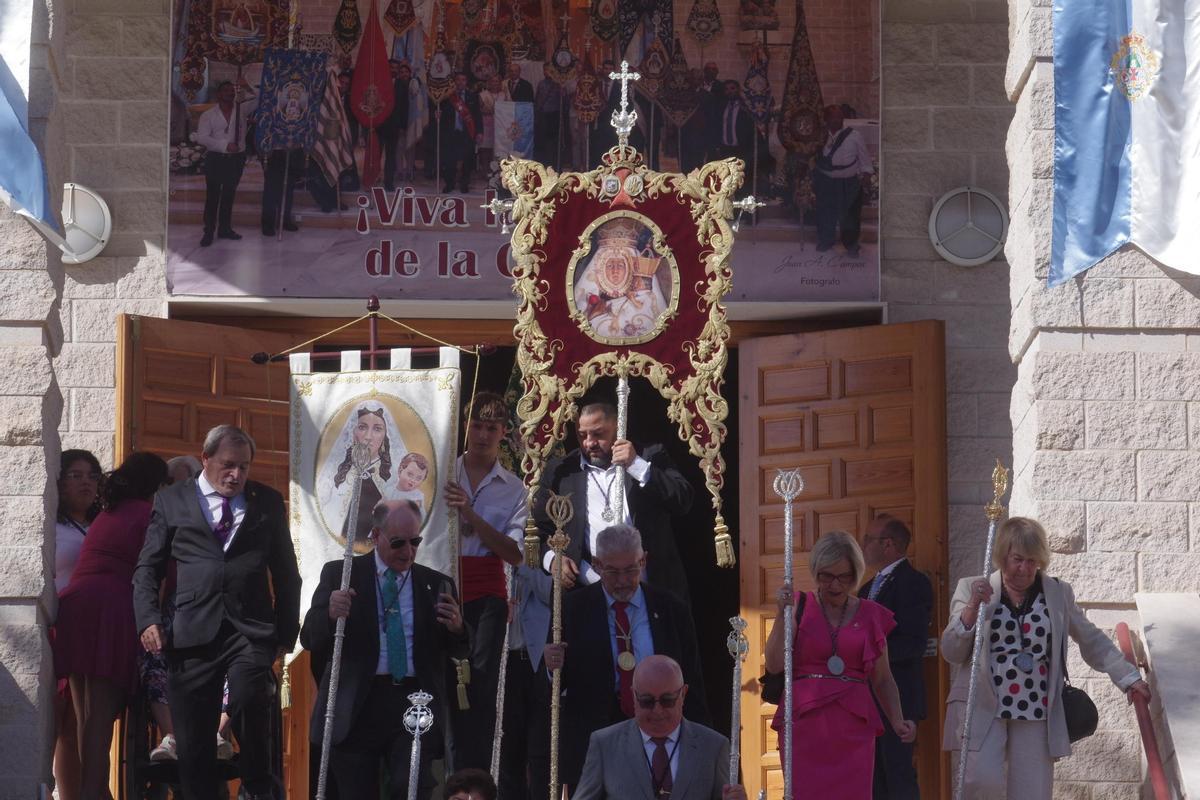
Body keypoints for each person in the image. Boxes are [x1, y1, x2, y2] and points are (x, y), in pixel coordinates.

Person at [133, 425, 301, 800]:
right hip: (191, 629)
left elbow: (287, 572)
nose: (236, 475)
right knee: (193, 744)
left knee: (248, 695)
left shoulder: (267, 502)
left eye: (244, 467)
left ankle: (258, 789)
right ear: (205, 458)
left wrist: (285, 635)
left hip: (250, 629)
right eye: (228, 465)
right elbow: (148, 567)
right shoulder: (172, 500)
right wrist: (148, 619)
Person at [942, 517, 1151, 799]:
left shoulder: (1056, 592)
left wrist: (1128, 677)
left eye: (1032, 561)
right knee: (981, 782)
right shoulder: (973, 588)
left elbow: (1090, 638)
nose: (1024, 569)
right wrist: (971, 609)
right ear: (1002, 555)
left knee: (1032, 791)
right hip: (984, 704)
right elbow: (951, 651)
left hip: (1035, 706)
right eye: (1017, 559)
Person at [301, 500, 469, 800]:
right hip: (357, 704)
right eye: (397, 543)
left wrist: (458, 628)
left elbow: (456, 650)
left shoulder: (436, 583)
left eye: (414, 541)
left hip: (413, 700)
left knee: (410, 787)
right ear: (376, 535)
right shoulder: (342, 574)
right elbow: (310, 638)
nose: (408, 551)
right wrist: (329, 613)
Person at [542, 524, 710, 795]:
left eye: (631, 569)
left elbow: (693, 680)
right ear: (597, 565)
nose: (622, 580)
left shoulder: (670, 608)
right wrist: (552, 667)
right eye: (612, 571)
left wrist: (701, 748)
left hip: (661, 734)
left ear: (643, 560)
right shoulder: (572, 609)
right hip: (595, 738)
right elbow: (552, 686)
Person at [764, 530, 917, 800]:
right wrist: (781, 614)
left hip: (854, 727)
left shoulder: (871, 614)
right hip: (804, 725)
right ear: (816, 572)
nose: (835, 585)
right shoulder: (799, 605)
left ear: (855, 573)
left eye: (843, 577)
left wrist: (897, 720)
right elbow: (775, 664)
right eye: (826, 576)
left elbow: (882, 679)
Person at [54, 452, 168, 800]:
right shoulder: (149, 515)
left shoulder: (107, 513)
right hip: (112, 608)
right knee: (100, 718)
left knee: (83, 713)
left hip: (76, 606)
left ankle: (91, 793)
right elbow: (167, 569)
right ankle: (92, 794)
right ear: (157, 486)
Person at [534, 401, 694, 600]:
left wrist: (636, 465)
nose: (589, 443)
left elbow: (682, 500)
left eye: (598, 434)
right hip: (587, 590)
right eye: (582, 435)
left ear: (618, 429)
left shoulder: (650, 455)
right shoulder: (562, 471)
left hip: (649, 590)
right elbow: (538, 531)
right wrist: (552, 560)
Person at [443, 392, 526, 769]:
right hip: (443, 585)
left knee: (479, 685)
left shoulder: (515, 488)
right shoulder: (444, 471)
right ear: (465, 427)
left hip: (488, 594)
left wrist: (471, 515)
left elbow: (514, 553)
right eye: (476, 425)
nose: (481, 434)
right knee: (439, 677)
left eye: (491, 427)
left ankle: (473, 778)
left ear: (503, 433)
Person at [574, 655, 747, 800]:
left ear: (683, 694)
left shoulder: (714, 747)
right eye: (647, 701)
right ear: (633, 695)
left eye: (667, 700)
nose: (657, 711)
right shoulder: (605, 745)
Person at [859, 515, 933, 800]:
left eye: (868, 539)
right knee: (872, 780)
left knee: (898, 778)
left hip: (897, 701)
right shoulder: (867, 589)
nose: (863, 545)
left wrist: (873, 657)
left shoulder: (913, 583)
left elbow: (914, 643)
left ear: (887, 544)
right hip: (866, 701)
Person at [51, 449, 102, 800]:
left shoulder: (105, 523)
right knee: (59, 724)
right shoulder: (49, 526)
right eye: (75, 475)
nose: (85, 481)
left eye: (92, 475)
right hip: (58, 629)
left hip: (94, 631)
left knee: (84, 725)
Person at [497, 563, 553, 800]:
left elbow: (552, 592)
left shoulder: (538, 555)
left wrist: (523, 565)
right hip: (504, 663)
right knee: (508, 749)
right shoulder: (491, 558)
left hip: (538, 662)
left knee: (541, 748)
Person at [317, 401, 407, 541]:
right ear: (353, 431)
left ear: (386, 435)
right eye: (362, 427)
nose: (368, 436)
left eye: (377, 429)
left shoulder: (395, 477)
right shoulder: (336, 474)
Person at [813, 104, 874, 256]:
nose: (837, 120)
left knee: (850, 216)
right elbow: (810, 155)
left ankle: (851, 244)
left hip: (849, 181)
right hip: (826, 181)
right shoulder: (819, 136)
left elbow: (864, 157)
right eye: (833, 117)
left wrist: (867, 175)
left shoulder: (854, 135)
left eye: (840, 117)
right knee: (826, 213)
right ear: (826, 119)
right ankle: (826, 240)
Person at [194, 80, 249, 247]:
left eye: (232, 90)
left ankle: (225, 229)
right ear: (218, 94)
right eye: (225, 90)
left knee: (228, 195)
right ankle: (209, 231)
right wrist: (225, 146)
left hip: (236, 159)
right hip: (216, 159)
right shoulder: (208, 115)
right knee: (213, 196)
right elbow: (202, 137)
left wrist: (245, 86)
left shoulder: (241, 111)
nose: (229, 93)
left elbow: (258, 98)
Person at [438, 72, 484, 193]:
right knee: (449, 160)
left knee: (467, 160)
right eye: (458, 80)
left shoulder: (472, 96)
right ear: (455, 81)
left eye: (463, 80)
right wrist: (437, 114)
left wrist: (479, 132)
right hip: (451, 132)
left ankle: (464, 183)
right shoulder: (448, 96)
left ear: (466, 82)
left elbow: (477, 116)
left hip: (467, 132)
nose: (460, 82)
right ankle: (450, 183)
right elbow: (440, 111)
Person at [380, 59, 413, 193]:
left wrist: (401, 126)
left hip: (394, 126)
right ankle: (372, 179)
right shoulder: (379, 82)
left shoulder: (402, 84)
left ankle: (388, 182)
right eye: (391, 67)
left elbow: (403, 107)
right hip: (379, 125)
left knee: (391, 155)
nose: (393, 70)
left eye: (395, 68)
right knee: (375, 155)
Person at [534, 67, 567, 169]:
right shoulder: (541, 84)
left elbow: (564, 98)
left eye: (549, 70)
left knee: (554, 141)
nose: (547, 72)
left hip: (555, 114)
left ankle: (555, 163)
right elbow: (538, 99)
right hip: (543, 114)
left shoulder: (558, 84)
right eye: (545, 70)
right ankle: (544, 162)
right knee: (543, 140)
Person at [716, 80, 755, 165]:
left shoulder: (745, 108)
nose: (729, 91)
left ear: (738, 89)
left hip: (740, 149)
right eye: (726, 89)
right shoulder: (721, 106)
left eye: (732, 88)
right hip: (724, 149)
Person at [478, 75, 502, 174]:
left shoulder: (504, 95)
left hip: (500, 126)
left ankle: (496, 172)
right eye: (493, 81)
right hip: (486, 125)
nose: (495, 83)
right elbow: (479, 110)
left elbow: (509, 109)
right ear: (489, 83)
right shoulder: (483, 95)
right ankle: (485, 170)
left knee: (498, 149)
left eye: (497, 81)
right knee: (485, 148)